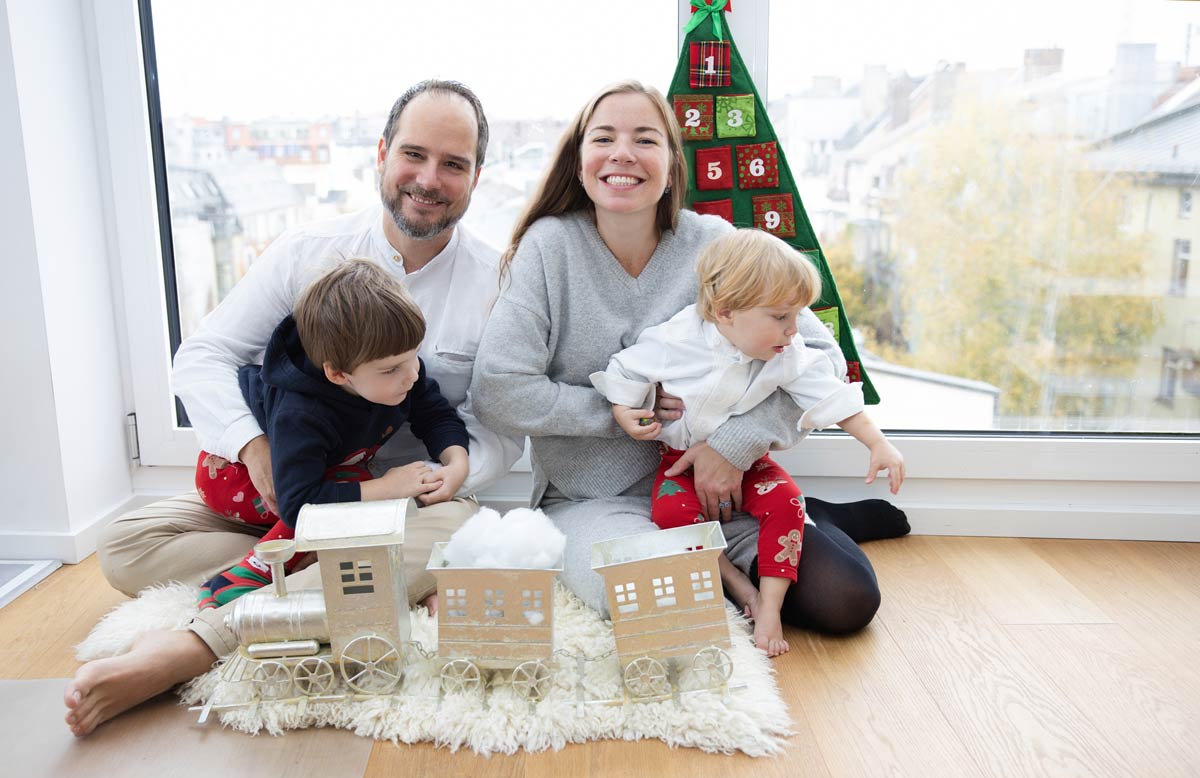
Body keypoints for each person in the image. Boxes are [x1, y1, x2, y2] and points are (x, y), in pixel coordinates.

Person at [65, 79, 522, 737]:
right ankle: (337, 577)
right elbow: (203, 356)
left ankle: (197, 642)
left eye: (453, 164)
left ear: (477, 175)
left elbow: (496, 421)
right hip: (293, 490)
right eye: (414, 155)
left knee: (463, 531)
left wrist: (457, 468)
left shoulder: (496, 281)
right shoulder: (308, 252)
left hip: (407, 507)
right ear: (381, 153)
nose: (429, 178)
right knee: (123, 544)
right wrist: (256, 451)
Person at [470, 79, 910, 642]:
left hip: (722, 489)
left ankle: (815, 517)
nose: (623, 154)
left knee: (847, 601)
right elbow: (499, 389)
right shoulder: (547, 248)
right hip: (595, 499)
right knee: (662, 601)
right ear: (579, 163)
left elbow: (816, 353)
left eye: (645, 140)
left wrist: (734, 443)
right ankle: (803, 522)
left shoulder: (714, 243)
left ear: (672, 166)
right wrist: (617, 411)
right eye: (603, 138)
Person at [590, 228, 906, 655]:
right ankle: (741, 589)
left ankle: (771, 604)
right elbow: (624, 371)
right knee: (670, 514)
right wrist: (627, 408)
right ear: (725, 313)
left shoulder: (787, 351)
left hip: (751, 464)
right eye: (781, 317)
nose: (795, 330)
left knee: (788, 501)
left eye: (797, 315)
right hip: (679, 463)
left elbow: (830, 392)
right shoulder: (675, 341)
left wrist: (878, 443)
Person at [196, 258, 469, 609]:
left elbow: (434, 413)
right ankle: (240, 579)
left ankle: (343, 564)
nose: (412, 375)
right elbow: (296, 506)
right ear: (339, 374)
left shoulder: (398, 368)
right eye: (391, 370)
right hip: (234, 478)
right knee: (361, 493)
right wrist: (387, 487)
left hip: (309, 474)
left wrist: (456, 462)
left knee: (368, 498)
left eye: (414, 357)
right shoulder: (302, 412)